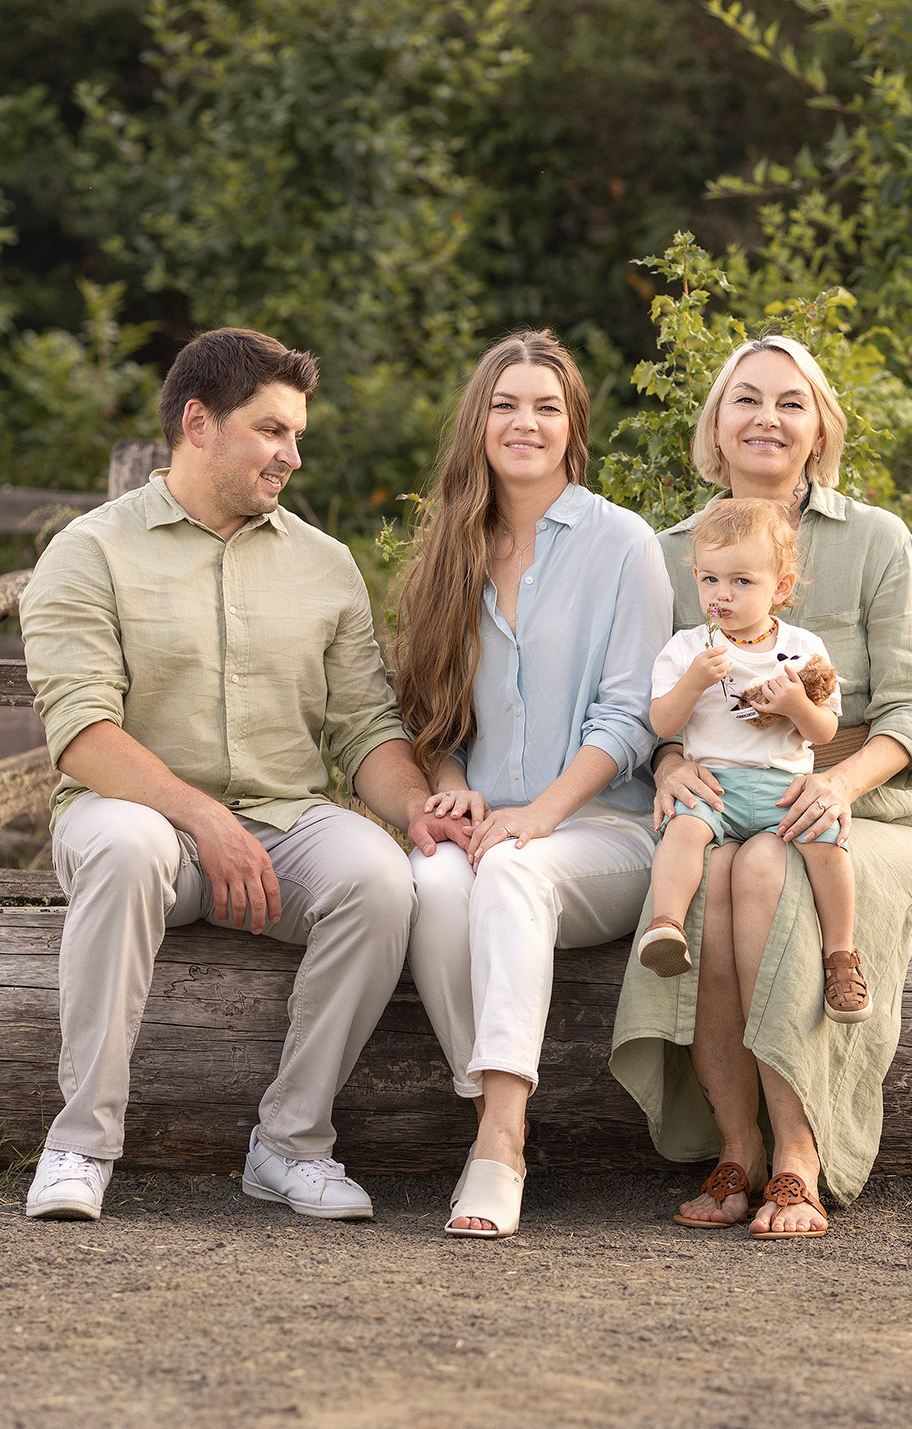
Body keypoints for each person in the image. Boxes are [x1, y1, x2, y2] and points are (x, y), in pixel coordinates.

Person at [18, 327, 464, 1223]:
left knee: (381, 878)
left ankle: (290, 1144)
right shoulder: (89, 551)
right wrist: (203, 819)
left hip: (286, 822)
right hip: (133, 815)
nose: (291, 455)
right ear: (198, 423)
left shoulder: (324, 564)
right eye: (270, 431)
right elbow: (82, 734)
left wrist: (420, 812)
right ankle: (80, 1143)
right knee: (125, 846)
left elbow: (366, 730)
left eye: (296, 434)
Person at [609, 334, 912, 1240]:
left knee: (764, 869)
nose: (767, 417)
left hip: (865, 806)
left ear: (819, 428)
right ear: (715, 428)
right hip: (724, 798)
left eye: (790, 402)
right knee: (722, 872)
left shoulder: (877, 540)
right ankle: (735, 1144)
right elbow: (640, 699)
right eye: (746, 399)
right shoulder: (674, 550)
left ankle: (795, 1150)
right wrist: (670, 762)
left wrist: (839, 785)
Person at [395, 330, 672, 1239]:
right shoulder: (449, 549)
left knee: (510, 870)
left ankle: (501, 1141)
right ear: (479, 423)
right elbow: (435, 714)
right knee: (432, 881)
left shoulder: (622, 544)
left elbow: (632, 718)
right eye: (506, 404)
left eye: (546, 406)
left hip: (604, 831)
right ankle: (490, 1112)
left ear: (573, 426)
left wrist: (536, 816)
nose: (526, 422)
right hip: (492, 824)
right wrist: (451, 786)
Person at [636, 498, 869, 1028]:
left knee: (829, 846)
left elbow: (825, 730)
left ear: (780, 588)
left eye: (742, 581)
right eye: (711, 580)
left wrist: (795, 706)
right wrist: (694, 681)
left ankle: (841, 955)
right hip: (711, 786)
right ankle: (666, 926)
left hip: (782, 789)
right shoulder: (687, 649)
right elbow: (662, 723)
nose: (723, 595)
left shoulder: (802, 649)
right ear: (695, 577)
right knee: (683, 832)